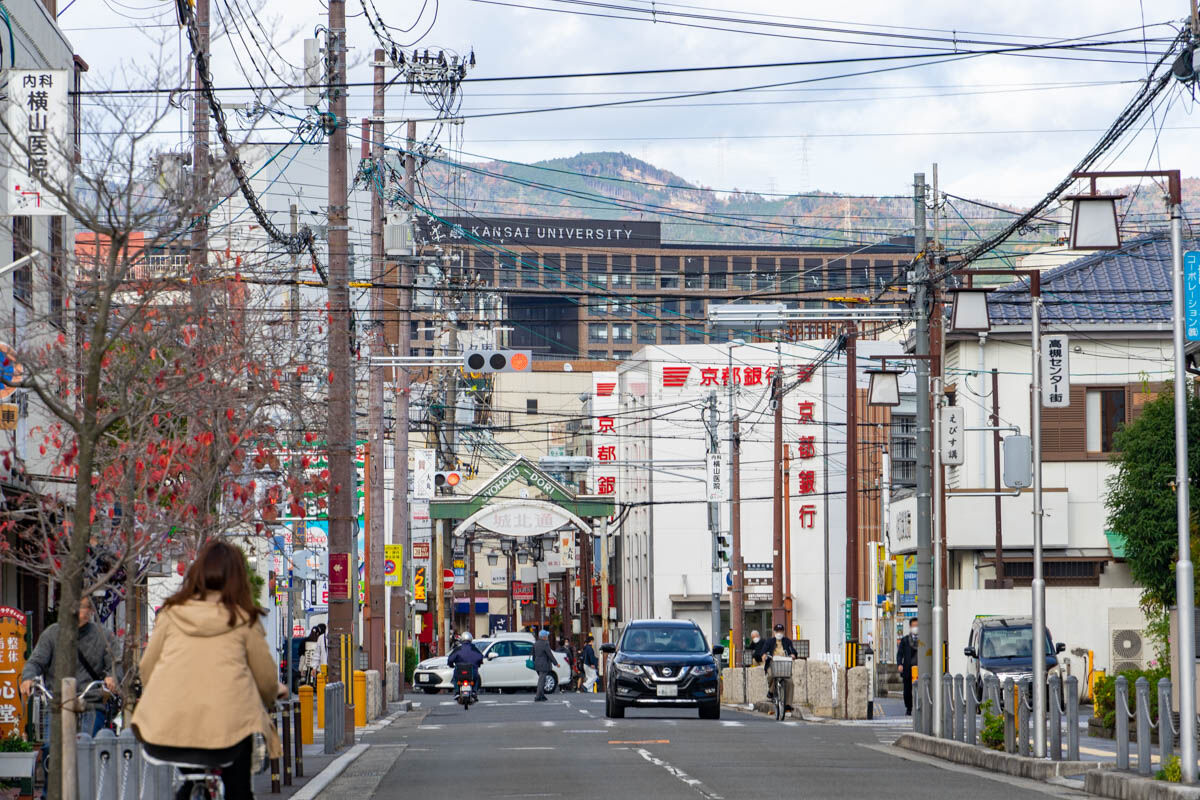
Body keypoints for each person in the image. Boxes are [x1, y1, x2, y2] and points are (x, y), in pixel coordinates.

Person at [131, 540, 287, 800]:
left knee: (190, 777)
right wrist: (274, 692)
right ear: (238, 578)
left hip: (172, 730)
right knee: (239, 789)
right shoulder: (243, 619)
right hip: (229, 732)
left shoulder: (171, 614)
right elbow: (264, 677)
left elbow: (147, 669)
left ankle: (190, 791)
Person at [21, 595, 119, 734]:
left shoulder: (104, 635)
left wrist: (112, 677)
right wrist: (28, 677)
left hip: (91, 702)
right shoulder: (52, 634)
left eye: (82, 607)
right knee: (52, 744)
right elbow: (36, 661)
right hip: (58, 702)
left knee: (85, 741)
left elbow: (116, 663)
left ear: (91, 610)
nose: (75, 611)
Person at [762, 623, 798, 712]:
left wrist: (793, 655)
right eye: (777, 631)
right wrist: (764, 655)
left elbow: (792, 650)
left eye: (781, 631)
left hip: (784, 664)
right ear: (774, 632)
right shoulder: (769, 641)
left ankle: (788, 705)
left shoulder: (787, 641)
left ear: (783, 632)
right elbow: (763, 651)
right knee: (771, 674)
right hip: (772, 663)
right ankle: (771, 691)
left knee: (790, 682)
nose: (779, 633)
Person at [897, 617, 920, 716]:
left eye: (917, 626)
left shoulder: (923, 639)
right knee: (907, 690)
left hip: (920, 669)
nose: (915, 628)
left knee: (921, 689)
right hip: (907, 669)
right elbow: (899, 654)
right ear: (910, 627)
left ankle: (920, 707)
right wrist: (899, 664)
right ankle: (909, 708)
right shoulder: (905, 640)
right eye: (914, 626)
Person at [532, 629, 559, 702]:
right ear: (543, 637)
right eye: (546, 635)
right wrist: (556, 663)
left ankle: (542, 696)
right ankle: (538, 696)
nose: (547, 637)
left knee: (542, 680)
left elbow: (533, 655)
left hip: (537, 664)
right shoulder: (545, 644)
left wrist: (534, 663)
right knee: (541, 681)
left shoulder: (536, 643)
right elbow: (550, 654)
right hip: (544, 665)